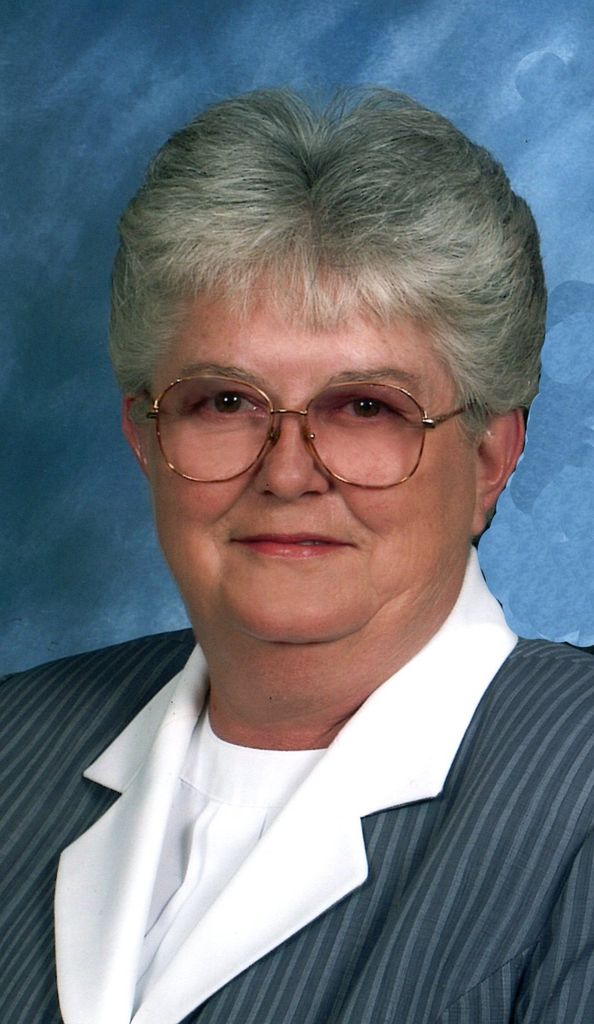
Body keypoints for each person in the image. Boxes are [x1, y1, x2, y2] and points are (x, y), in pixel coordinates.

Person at [3, 87, 594, 1024]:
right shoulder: (14, 740)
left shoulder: (576, 787)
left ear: (491, 455)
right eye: (224, 402)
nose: (287, 472)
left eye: (366, 407)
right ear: (144, 437)